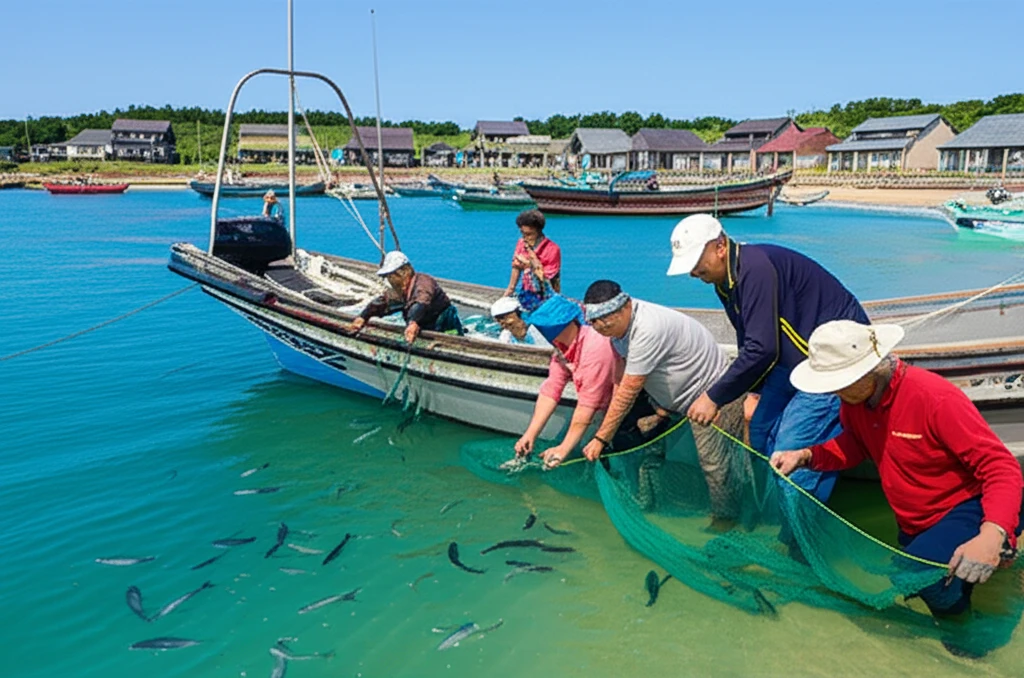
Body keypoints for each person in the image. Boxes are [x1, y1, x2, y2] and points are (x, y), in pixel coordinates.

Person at [771, 320, 1023, 621]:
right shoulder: (853, 402)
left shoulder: (934, 398)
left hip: (967, 505)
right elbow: (855, 444)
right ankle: (980, 566)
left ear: (869, 370)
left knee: (919, 578)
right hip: (916, 519)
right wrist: (807, 455)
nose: (834, 392)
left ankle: (964, 626)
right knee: (911, 580)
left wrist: (990, 534)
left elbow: (1001, 467)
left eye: (839, 383)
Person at [666, 213, 869, 503]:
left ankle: (798, 535)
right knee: (760, 432)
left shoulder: (755, 268)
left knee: (790, 449)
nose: (693, 273)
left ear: (720, 247)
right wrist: (755, 390)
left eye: (696, 263)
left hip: (832, 362)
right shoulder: (724, 279)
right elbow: (748, 335)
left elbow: (762, 348)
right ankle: (776, 506)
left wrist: (714, 397)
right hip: (791, 361)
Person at [579, 281, 749, 522]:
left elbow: (629, 389)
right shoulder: (616, 331)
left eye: (606, 319)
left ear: (626, 305)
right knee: (649, 447)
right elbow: (620, 375)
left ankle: (726, 520)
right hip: (667, 402)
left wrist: (601, 438)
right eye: (594, 321)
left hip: (709, 394)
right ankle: (652, 503)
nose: (600, 326)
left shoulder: (647, 328)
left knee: (715, 464)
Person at [513, 295, 619, 469]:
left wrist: (564, 449)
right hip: (599, 409)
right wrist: (530, 434)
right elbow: (551, 389)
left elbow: (588, 404)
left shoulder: (595, 347)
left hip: (628, 408)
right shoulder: (561, 349)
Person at [349, 251, 463, 343]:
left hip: (446, 326)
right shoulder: (400, 291)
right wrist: (363, 317)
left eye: (392, 276)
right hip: (425, 328)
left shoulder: (423, 283)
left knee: (453, 341)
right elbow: (383, 302)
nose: (390, 280)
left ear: (404, 272)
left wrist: (413, 322)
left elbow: (421, 303)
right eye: (388, 277)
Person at [504, 209, 561, 312]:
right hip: (527, 290)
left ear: (538, 232)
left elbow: (546, 278)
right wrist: (510, 289)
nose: (525, 238)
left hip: (546, 296)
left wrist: (528, 263)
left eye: (529, 234)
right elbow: (516, 266)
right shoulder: (521, 243)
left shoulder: (552, 249)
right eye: (522, 233)